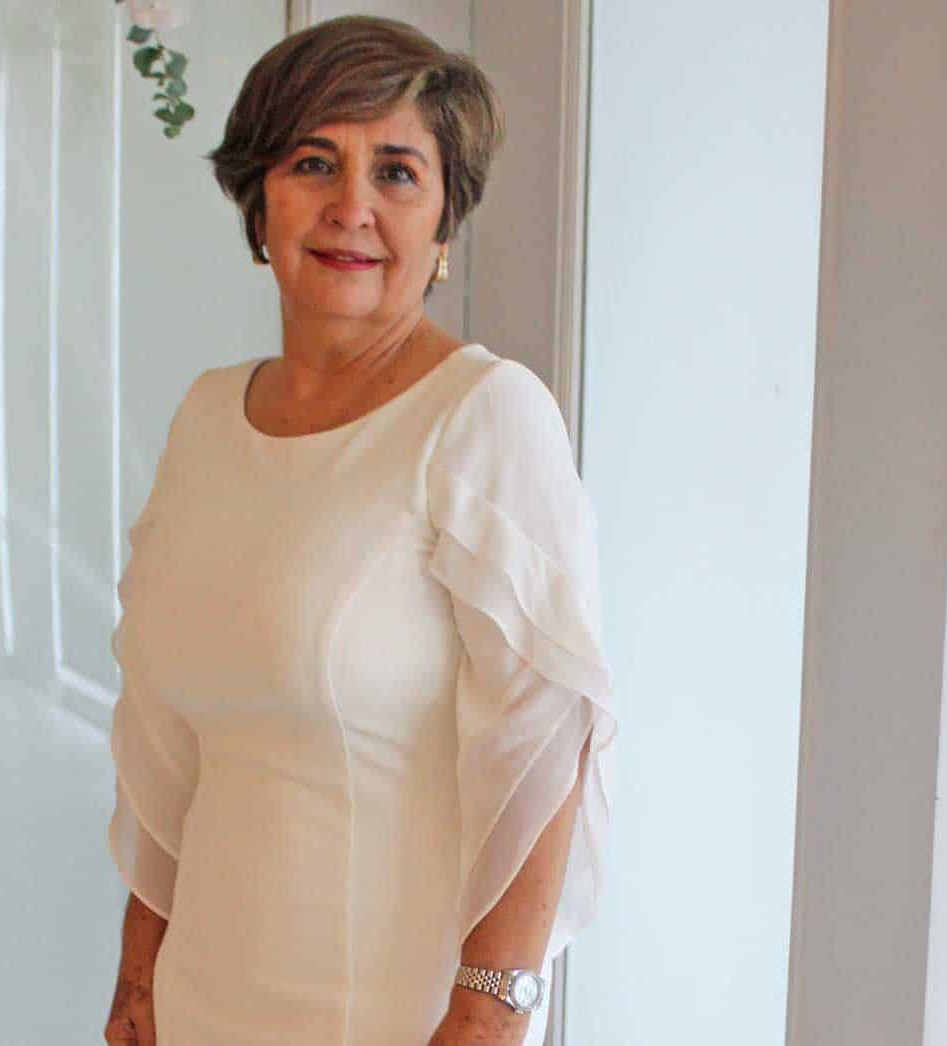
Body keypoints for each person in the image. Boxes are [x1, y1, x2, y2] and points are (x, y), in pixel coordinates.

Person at [103, 14, 616, 1046]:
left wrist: (487, 1015)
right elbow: (166, 755)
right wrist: (137, 982)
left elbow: (546, 743)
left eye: (396, 173)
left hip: (391, 1016)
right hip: (202, 1000)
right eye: (312, 163)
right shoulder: (207, 416)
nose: (351, 208)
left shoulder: (484, 416)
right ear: (258, 203)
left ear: (443, 223)